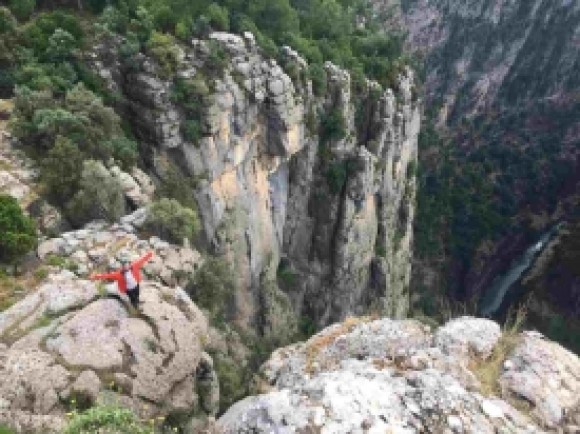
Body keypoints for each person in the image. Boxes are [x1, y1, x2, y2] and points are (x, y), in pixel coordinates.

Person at [90, 251, 154, 309]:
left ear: (129, 264)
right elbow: (106, 276)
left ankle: (137, 301)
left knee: (137, 294)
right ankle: (135, 305)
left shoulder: (134, 266)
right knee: (132, 298)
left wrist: (150, 254)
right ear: (122, 267)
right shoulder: (118, 274)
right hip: (129, 289)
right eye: (124, 266)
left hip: (136, 285)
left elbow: (142, 260)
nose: (126, 266)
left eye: (127, 264)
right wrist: (95, 276)